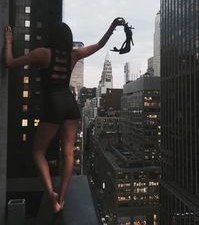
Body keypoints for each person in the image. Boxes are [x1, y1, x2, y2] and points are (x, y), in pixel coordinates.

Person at [4, 17, 125, 213]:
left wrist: (8, 41)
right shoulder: (73, 55)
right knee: (68, 152)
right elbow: (100, 44)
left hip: (53, 104)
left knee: (37, 152)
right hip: (70, 104)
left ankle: (51, 194)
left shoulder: (42, 53)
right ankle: (61, 199)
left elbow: (9, 62)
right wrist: (113, 26)